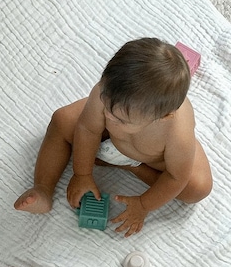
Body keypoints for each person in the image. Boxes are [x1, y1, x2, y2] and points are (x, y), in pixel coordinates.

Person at [14, 37, 212, 235]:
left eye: (120, 119)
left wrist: (143, 205)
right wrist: (82, 174)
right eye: (106, 104)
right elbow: (88, 128)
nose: (107, 114)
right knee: (61, 119)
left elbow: (176, 177)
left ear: (163, 116)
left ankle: (127, 165)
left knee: (197, 188)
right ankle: (43, 188)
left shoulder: (178, 134)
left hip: (154, 162)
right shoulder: (105, 93)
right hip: (110, 139)